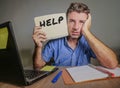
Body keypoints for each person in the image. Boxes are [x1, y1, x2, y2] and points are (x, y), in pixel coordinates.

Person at [32, 2, 118, 70]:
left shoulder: (89, 42)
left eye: (82, 22)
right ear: (66, 22)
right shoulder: (54, 43)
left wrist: (86, 32)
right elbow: (38, 67)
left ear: (87, 24)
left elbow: (112, 64)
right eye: (72, 21)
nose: (76, 27)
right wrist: (38, 47)